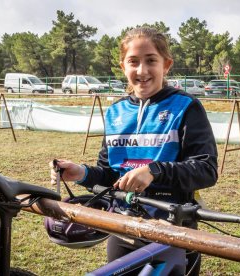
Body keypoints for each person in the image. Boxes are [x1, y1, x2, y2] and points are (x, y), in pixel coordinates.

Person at [50, 26, 218, 275]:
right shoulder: (115, 112)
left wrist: (155, 170)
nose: (142, 71)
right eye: (133, 62)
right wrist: (81, 173)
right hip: (122, 227)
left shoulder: (186, 106)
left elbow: (207, 169)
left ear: (166, 65)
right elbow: (110, 175)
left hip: (172, 230)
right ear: (123, 66)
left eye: (151, 60)